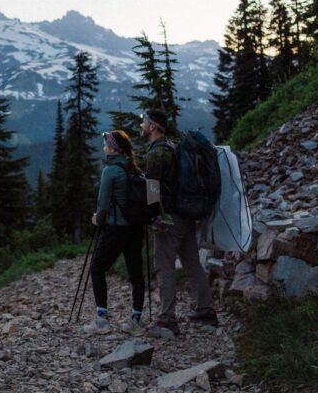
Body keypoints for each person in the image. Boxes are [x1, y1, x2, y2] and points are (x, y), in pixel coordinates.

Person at [142, 108, 218, 335]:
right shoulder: (174, 147)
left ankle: (167, 318)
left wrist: (153, 217)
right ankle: (205, 310)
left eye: (143, 121)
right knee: (192, 263)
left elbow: (152, 189)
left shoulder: (156, 153)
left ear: (153, 126)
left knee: (164, 265)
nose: (141, 126)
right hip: (187, 214)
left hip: (169, 218)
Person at [83, 130, 146, 334]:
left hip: (116, 228)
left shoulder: (110, 171)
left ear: (113, 149)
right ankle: (136, 318)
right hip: (136, 228)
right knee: (136, 274)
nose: (103, 148)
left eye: (106, 145)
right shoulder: (135, 170)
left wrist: (97, 219)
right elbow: (151, 196)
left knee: (97, 268)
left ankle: (102, 319)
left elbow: (102, 205)